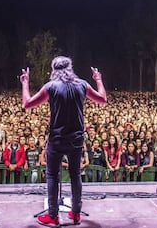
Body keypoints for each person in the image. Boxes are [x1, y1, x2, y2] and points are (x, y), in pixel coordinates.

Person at [20, 56, 106, 227]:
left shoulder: (50, 87)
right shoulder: (82, 84)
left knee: (52, 175)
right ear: (70, 68)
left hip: (57, 139)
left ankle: (53, 216)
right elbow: (102, 99)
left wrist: (25, 83)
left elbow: (27, 104)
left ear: (54, 69)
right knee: (75, 175)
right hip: (76, 139)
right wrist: (99, 80)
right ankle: (75, 214)